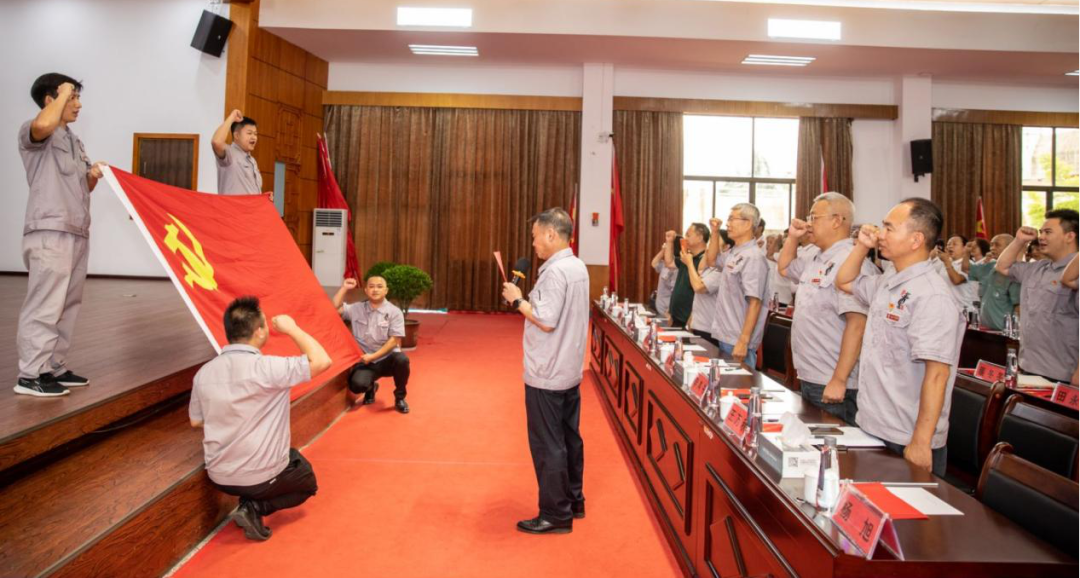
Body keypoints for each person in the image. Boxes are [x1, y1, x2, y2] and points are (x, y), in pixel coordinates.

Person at [836, 198, 964, 476]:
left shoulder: (932, 295)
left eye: (889, 228)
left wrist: (921, 440)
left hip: (905, 434)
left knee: (906, 520)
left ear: (916, 239)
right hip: (873, 422)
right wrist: (861, 246)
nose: (880, 234)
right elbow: (844, 281)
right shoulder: (890, 281)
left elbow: (938, 374)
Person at [189, 297, 332, 540]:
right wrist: (291, 328)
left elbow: (196, 421)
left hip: (218, 476)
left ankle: (250, 502)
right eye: (265, 324)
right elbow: (322, 361)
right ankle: (255, 507)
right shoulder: (269, 368)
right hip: (259, 477)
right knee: (306, 480)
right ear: (259, 331)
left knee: (290, 457)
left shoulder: (204, 373)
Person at [15, 73, 105, 397]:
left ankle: (53, 366)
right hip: (50, 230)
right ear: (51, 100)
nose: (78, 105)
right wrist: (62, 93)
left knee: (68, 303)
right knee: (45, 303)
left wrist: (92, 175)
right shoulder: (34, 129)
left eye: (79, 98)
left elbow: (84, 186)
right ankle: (30, 374)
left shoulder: (73, 140)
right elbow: (41, 127)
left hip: (77, 230)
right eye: (72, 98)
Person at [501, 208, 589, 535]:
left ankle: (555, 513)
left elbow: (547, 320)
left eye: (536, 236)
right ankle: (573, 500)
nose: (534, 243)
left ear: (552, 234)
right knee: (569, 438)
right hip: (568, 368)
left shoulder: (554, 272)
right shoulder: (577, 265)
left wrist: (517, 300)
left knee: (548, 444)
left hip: (547, 370)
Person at [778, 193, 877, 425]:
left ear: (836, 221)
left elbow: (858, 324)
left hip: (832, 381)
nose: (808, 223)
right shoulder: (816, 256)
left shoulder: (851, 261)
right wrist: (793, 238)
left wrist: (839, 379)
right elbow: (784, 268)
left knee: (833, 455)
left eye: (814, 217)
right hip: (811, 373)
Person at [995, 210, 1080, 385]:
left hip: (1063, 374)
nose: (1041, 237)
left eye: (1048, 232)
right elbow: (1003, 267)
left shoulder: (1075, 274)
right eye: (1041, 232)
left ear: (1070, 236)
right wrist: (1019, 241)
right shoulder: (1037, 268)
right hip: (1028, 366)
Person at [332, 276, 411, 413]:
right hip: (365, 360)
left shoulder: (394, 312)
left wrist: (374, 356)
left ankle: (400, 398)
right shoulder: (356, 308)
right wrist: (344, 288)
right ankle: (371, 388)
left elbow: (394, 340)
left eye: (380, 287)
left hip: (386, 358)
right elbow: (333, 308)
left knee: (402, 360)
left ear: (386, 291)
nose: (375, 290)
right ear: (366, 290)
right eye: (372, 286)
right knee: (356, 386)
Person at [705, 204, 771, 368]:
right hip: (726, 335)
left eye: (732, 219)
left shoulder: (753, 257)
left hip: (738, 340)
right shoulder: (735, 252)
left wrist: (743, 341)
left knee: (739, 389)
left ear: (748, 223)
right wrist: (714, 232)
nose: (727, 224)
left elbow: (755, 302)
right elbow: (712, 260)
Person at [963, 234, 1020, 331]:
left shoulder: (1014, 272)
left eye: (997, 245)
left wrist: (1015, 331)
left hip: (1002, 332)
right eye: (991, 245)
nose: (992, 248)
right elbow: (966, 269)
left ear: (1010, 248)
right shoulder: (990, 265)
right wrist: (967, 252)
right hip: (984, 328)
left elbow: (1018, 307)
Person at [212, 109, 267, 198]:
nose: (254, 137)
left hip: (251, 210)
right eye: (249, 133)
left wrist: (264, 198)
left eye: (255, 134)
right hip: (233, 210)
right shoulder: (229, 153)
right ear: (236, 135)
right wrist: (232, 117)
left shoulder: (252, 160)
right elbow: (216, 142)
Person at [665, 224, 709, 328]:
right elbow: (669, 263)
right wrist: (669, 241)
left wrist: (692, 316)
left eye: (688, 235)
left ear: (700, 238)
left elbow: (699, 289)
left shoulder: (705, 261)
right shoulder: (687, 257)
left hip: (689, 320)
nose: (685, 238)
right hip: (676, 316)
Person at [683, 251, 722, 347]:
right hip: (698, 324)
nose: (707, 251)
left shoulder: (720, 272)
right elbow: (700, 269)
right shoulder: (708, 270)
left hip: (708, 328)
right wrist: (691, 320)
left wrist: (689, 263)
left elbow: (698, 287)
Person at [933, 235, 978, 310]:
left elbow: (957, 280)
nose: (950, 246)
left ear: (964, 248)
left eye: (954, 244)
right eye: (948, 244)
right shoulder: (943, 262)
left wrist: (947, 262)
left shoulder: (968, 265)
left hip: (963, 310)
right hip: (946, 309)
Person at [650, 243, 677, 318]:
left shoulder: (676, 268)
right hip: (659, 306)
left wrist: (669, 312)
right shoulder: (664, 265)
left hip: (667, 310)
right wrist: (663, 250)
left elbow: (675, 292)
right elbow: (654, 263)